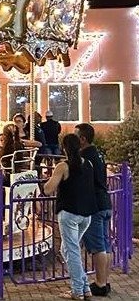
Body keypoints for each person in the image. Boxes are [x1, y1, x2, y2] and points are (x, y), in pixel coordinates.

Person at [44, 133, 97, 300]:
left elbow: (48, 189)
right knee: (67, 249)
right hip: (86, 215)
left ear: (64, 148)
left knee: (72, 251)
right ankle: (85, 287)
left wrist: (48, 180)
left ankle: (77, 290)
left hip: (69, 213)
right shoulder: (88, 164)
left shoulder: (63, 166)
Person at [76, 123, 113, 297]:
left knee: (98, 247)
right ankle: (104, 280)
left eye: (76, 136)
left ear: (83, 139)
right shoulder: (97, 153)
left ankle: (100, 283)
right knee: (105, 244)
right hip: (104, 202)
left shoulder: (84, 157)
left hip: (95, 206)